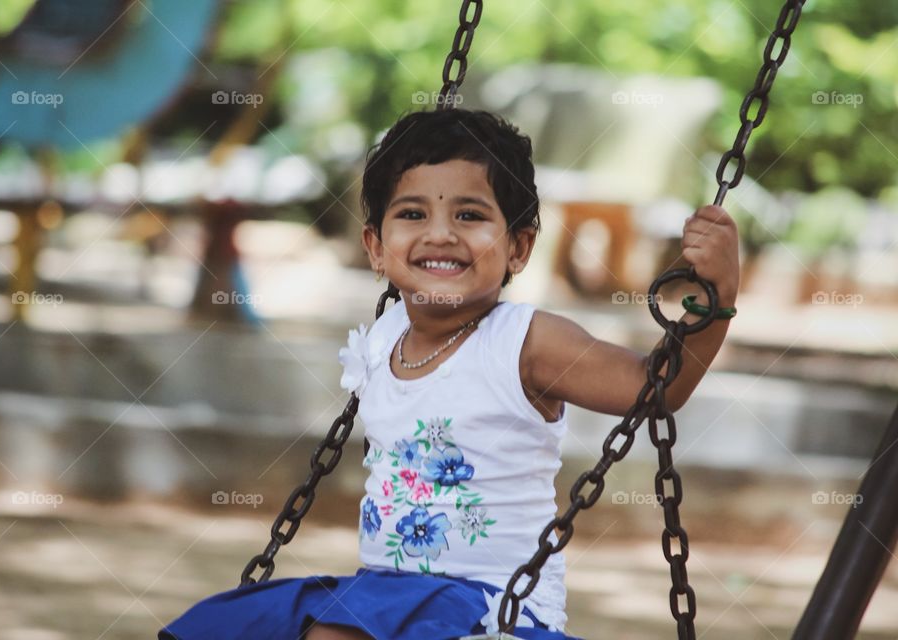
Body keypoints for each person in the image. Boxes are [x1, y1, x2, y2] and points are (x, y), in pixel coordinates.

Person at [159, 108, 740, 640]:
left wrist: (717, 297)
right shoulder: (386, 335)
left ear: (518, 248)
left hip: (494, 609)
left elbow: (651, 387)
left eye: (470, 214)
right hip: (384, 597)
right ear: (376, 248)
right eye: (413, 214)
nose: (440, 233)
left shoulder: (525, 342)